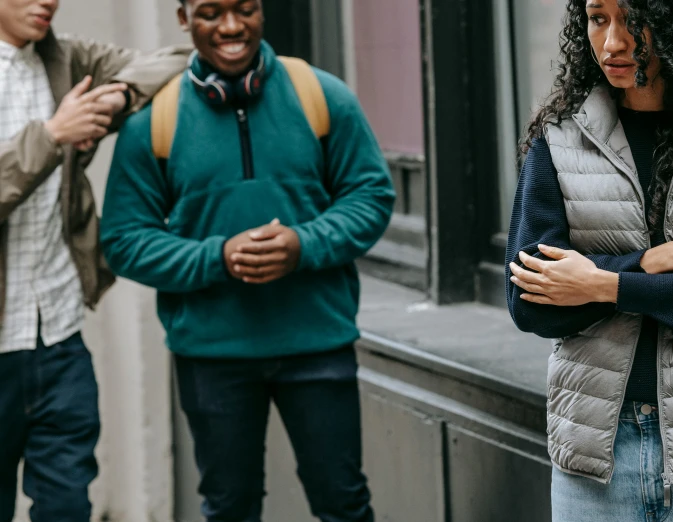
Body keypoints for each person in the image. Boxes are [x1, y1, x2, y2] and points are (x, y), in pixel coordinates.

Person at [99, 0, 395, 520]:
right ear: (183, 17)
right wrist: (219, 256)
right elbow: (124, 239)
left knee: (344, 504)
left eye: (245, 9)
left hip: (317, 345)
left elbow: (370, 197)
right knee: (229, 509)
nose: (232, 27)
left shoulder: (321, 96)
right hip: (212, 356)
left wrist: (303, 245)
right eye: (212, 12)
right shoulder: (154, 121)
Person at [505, 0, 673, 520]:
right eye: (597, 18)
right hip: (596, 460)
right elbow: (532, 300)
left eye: (635, 20)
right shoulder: (560, 138)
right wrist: (660, 260)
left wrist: (604, 284)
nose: (613, 43)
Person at [0, 1, 190, 521]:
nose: (47, 2)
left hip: (58, 340)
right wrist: (52, 136)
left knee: (67, 508)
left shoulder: (65, 59)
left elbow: (180, 57)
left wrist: (122, 93)